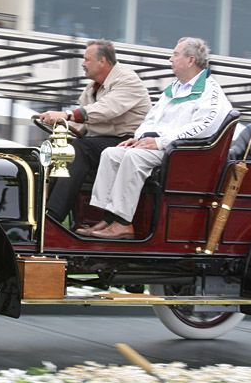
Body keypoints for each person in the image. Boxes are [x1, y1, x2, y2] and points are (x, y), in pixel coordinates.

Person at [85, 37, 232, 239]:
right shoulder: (174, 89)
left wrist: (160, 142)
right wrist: (140, 138)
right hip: (161, 149)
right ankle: (108, 218)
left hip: (184, 155)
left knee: (133, 158)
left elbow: (202, 128)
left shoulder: (211, 92)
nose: (170, 59)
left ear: (191, 60)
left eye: (175, 54)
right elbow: (151, 118)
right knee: (111, 153)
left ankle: (123, 224)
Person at [38, 39, 152, 226]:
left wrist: (66, 115)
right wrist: (58, 131)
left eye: (86, 59)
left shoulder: (127, 80)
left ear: (103, 62)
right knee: (56, 150)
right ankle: (41, 210)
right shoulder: (92, 88)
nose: (83, 64)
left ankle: (53, 217)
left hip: (128, 143)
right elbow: (82, 125)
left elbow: (106, 109)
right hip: (102, 142)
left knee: (79, 150)